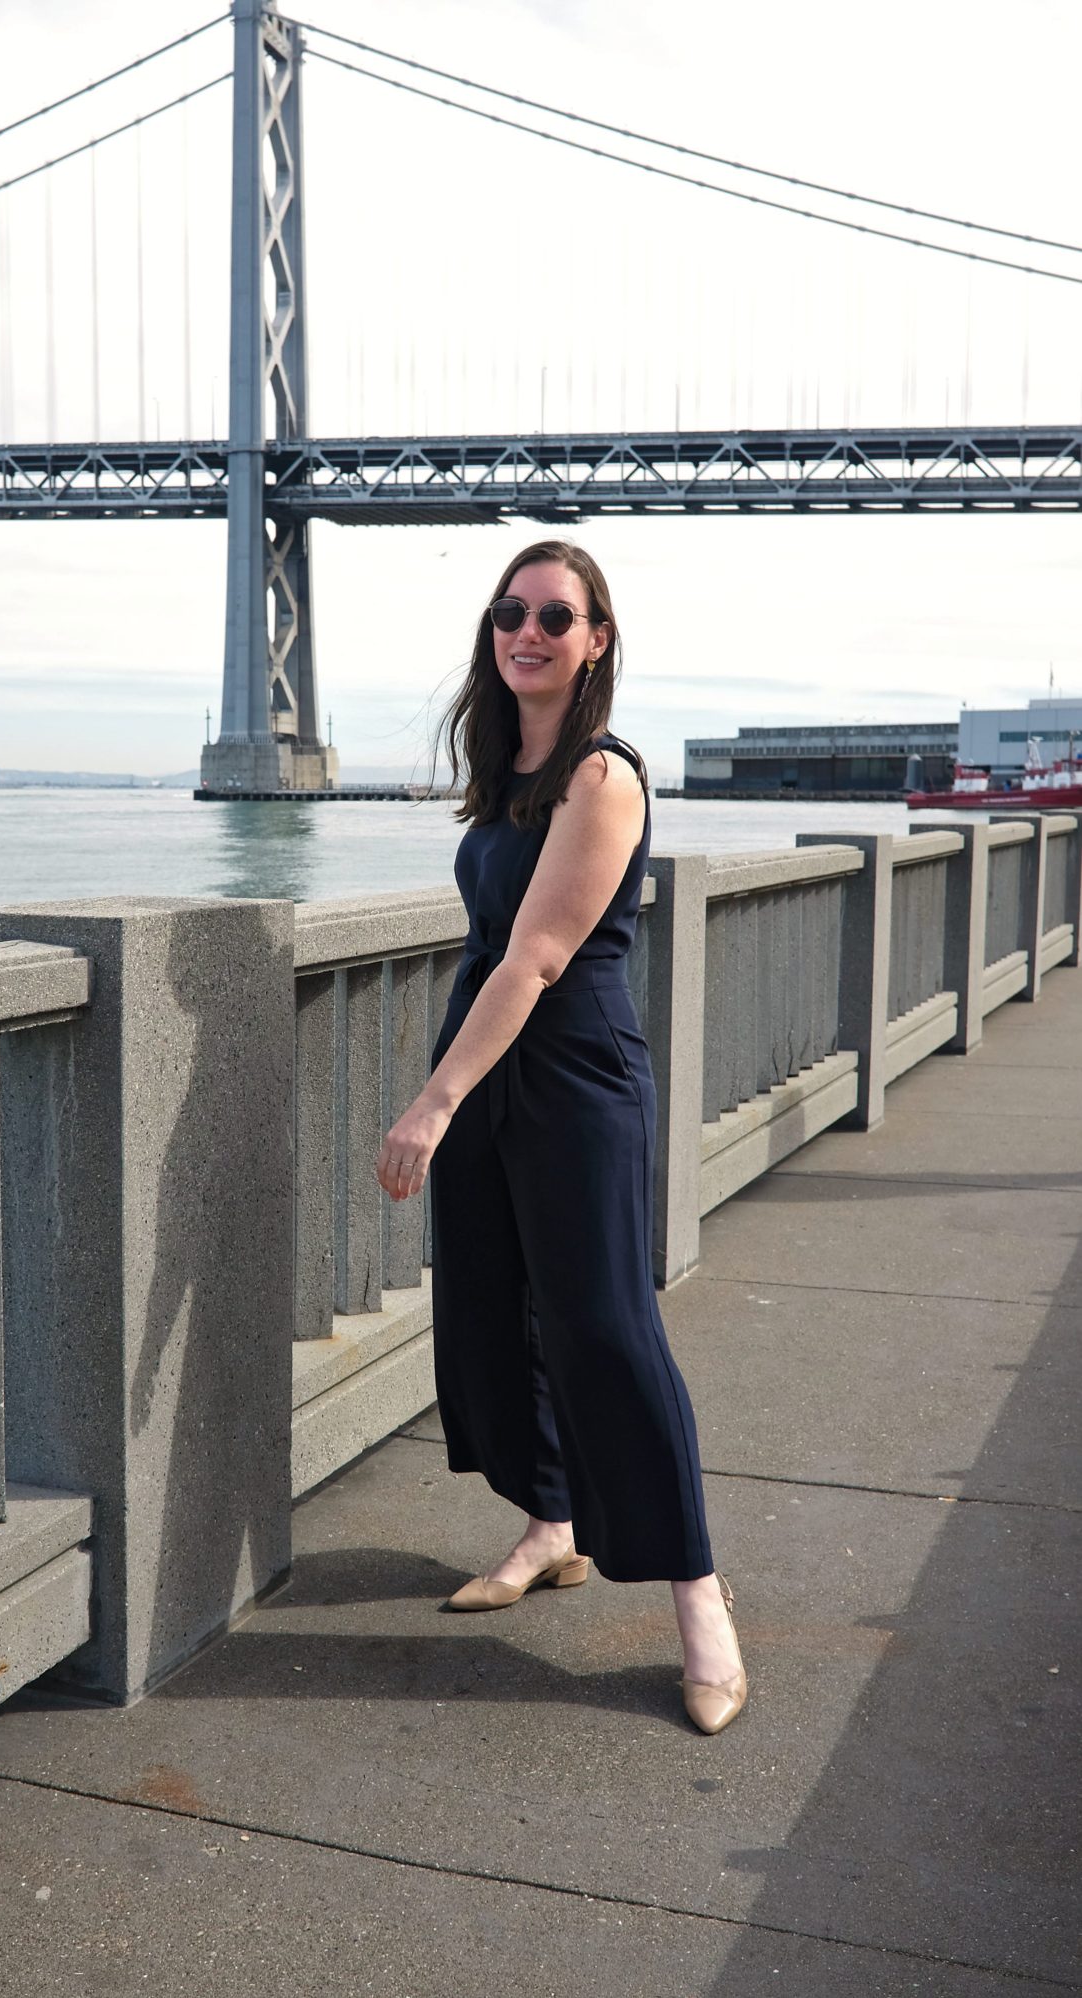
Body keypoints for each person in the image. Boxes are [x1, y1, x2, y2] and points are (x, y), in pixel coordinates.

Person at [374, 538, 747, 1736]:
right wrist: (455, 1090)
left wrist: (428, 1101)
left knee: (604, 1327)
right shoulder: (508, 774)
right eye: (508, 612)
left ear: (595, 640)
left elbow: (537, 955)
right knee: (492, 1305)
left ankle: (696, 1591)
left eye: (553, 614)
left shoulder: (603, 777)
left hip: (575, 1072)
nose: (526, 630)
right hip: (488, 1063)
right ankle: (550, 1520)